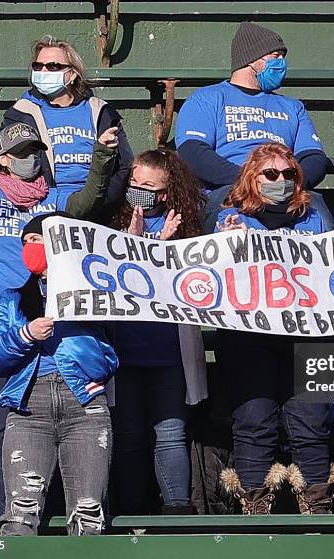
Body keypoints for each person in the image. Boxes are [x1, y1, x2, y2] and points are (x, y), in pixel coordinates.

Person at [0, 122, 118, 516]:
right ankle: (1, 518)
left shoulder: (55, 196)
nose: (31, 159)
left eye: (35, 151)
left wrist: (101, 156)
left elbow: (88, 201)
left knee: (63, 423)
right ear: (4, 158)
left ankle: (61, 518)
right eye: (22, 152)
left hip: (53, 320)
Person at [215, 142, 334, 515]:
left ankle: (317, 507)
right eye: (270, 174)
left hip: (305, 336)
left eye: (289, 174)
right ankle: (255, 508)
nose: (281, 181)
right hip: (247, 338)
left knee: (311, 424)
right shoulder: (231, 218)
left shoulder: (314, 215)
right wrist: (227, 241)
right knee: (254, 422)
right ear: (251, 178)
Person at [0, 213, 117, 535]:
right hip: (29, 409)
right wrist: (25, 335)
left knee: (88, 516)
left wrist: (68, 326)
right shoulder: (11, 300)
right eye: (25, 242)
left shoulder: (94, 297)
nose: (29, 248)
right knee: (19, 515)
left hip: (85, 410)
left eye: (37, 240)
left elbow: (106, 361)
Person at [109, 149, 208, 515]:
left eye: (149, 186)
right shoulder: (111, 223)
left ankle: (177, 511)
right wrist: (134, 243)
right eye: (134, 183)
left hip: (170, 352)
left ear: (166, 192)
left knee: (169, 436)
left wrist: (162, 248)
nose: (139, 190)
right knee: (130, 438)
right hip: (124, 352)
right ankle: (133, 516)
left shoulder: (187, 226)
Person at [175, 21, 334, 233]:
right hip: (230, 190)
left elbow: (314, 157)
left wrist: (287, 183)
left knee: (320, 214)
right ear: (253, 60)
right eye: (276, 56)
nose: (282, 63)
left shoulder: (292, 107)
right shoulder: (208, 98)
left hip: (287, 189)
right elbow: (192, 152)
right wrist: (251, 181)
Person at [0, 35, 133, 222]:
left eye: (53, 66)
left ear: (73, 73)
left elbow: (124, 166)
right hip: (41, 209)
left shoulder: (100, 111)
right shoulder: (20, 112)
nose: (44, 71)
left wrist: (98, 203)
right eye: (38, 66)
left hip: (97, 211)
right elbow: (6, 163)